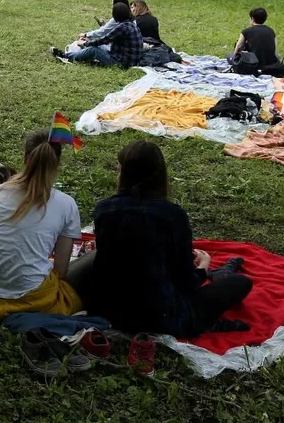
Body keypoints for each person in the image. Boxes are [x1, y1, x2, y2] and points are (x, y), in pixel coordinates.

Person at [66, 140, 251, 337]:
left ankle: (219, 276)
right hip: (161, 316)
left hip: (111, 310)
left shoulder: (105, 209)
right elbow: (184, 282)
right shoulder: (172, 216)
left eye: (119, 170)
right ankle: (212, 304)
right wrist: (202, 269)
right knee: (240, 283)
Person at [0, 130, 83, 321]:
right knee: (67, 293)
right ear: (57, 163)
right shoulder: (67, 204)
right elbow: (61, 270)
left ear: (25, 157)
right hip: (33, 297)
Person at [53, 1, 143, 68]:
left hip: (122, 63)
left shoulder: (122, 27)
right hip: (127, 58)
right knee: (93, 44)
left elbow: (103, 40)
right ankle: (78, 54)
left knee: (93, 50)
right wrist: (88, 41)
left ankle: (66, 56)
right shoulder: (131, 24)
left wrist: (85, 43)